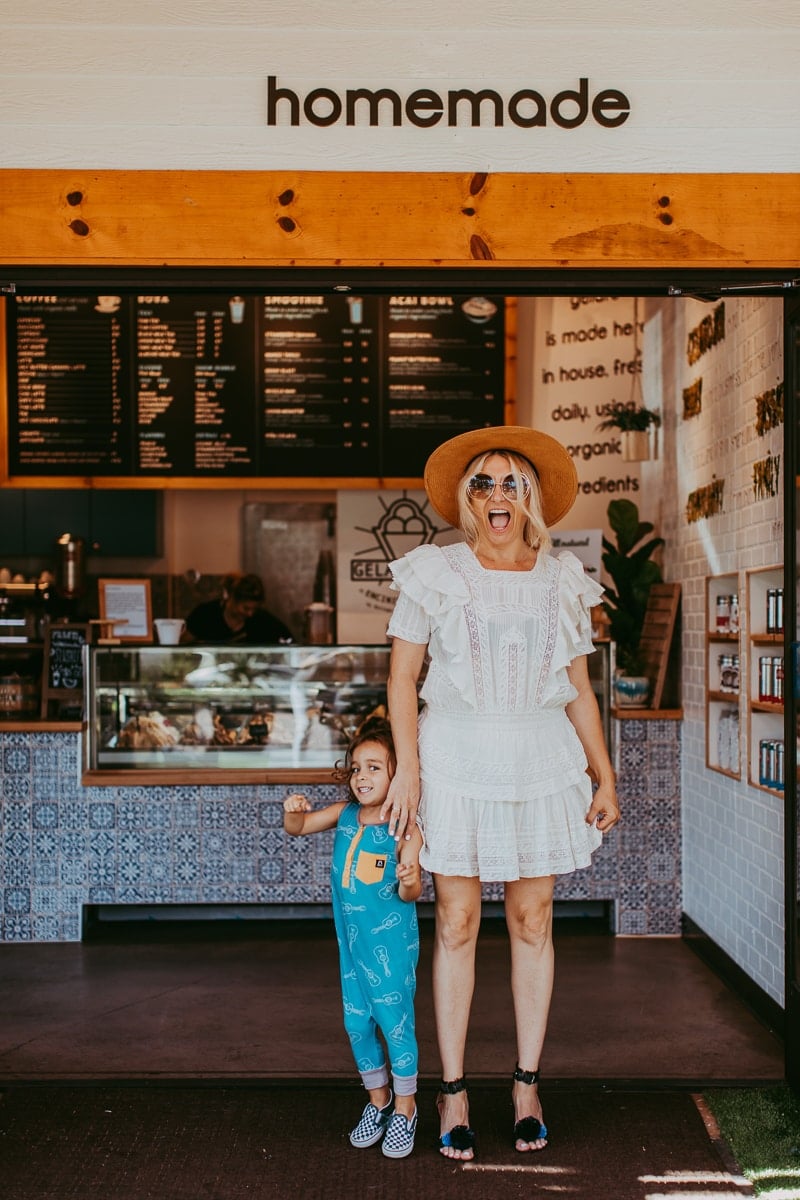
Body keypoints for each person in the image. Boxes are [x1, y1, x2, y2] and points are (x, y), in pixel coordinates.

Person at [382, 425, 620, 1161]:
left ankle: (525, 1085)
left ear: (531, 497)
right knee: (455, 921)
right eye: (482, 483)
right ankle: (453, 1089)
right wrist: (408, 769)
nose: (495, 495)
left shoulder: (562, 578)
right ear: (467, 498)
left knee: (532, 918)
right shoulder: (436, 571)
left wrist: (604, 771)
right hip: (455, 757)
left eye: (510, 482)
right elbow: (401, 680)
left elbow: (578, 688)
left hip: (539, 760)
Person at [283, 715, 423, 1159]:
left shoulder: (403, 826)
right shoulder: (344, 816)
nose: (362, 776)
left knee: (395, 1022)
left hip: (392, 951)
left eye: (375, 767)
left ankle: (405, 1109)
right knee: (356, 1023)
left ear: (397, 774)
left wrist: (408, 877)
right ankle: (378, 1101)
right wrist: (292, 812)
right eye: (356, 767)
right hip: (351, 950)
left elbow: (413, 890)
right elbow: (299, 828)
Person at [184, 572, 291, 644]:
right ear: (231, 598)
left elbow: (289, 642)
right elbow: (183, 642)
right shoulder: (205, 615)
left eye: (255, 609)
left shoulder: (262, 621)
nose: (250, 614)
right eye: (246, 608)